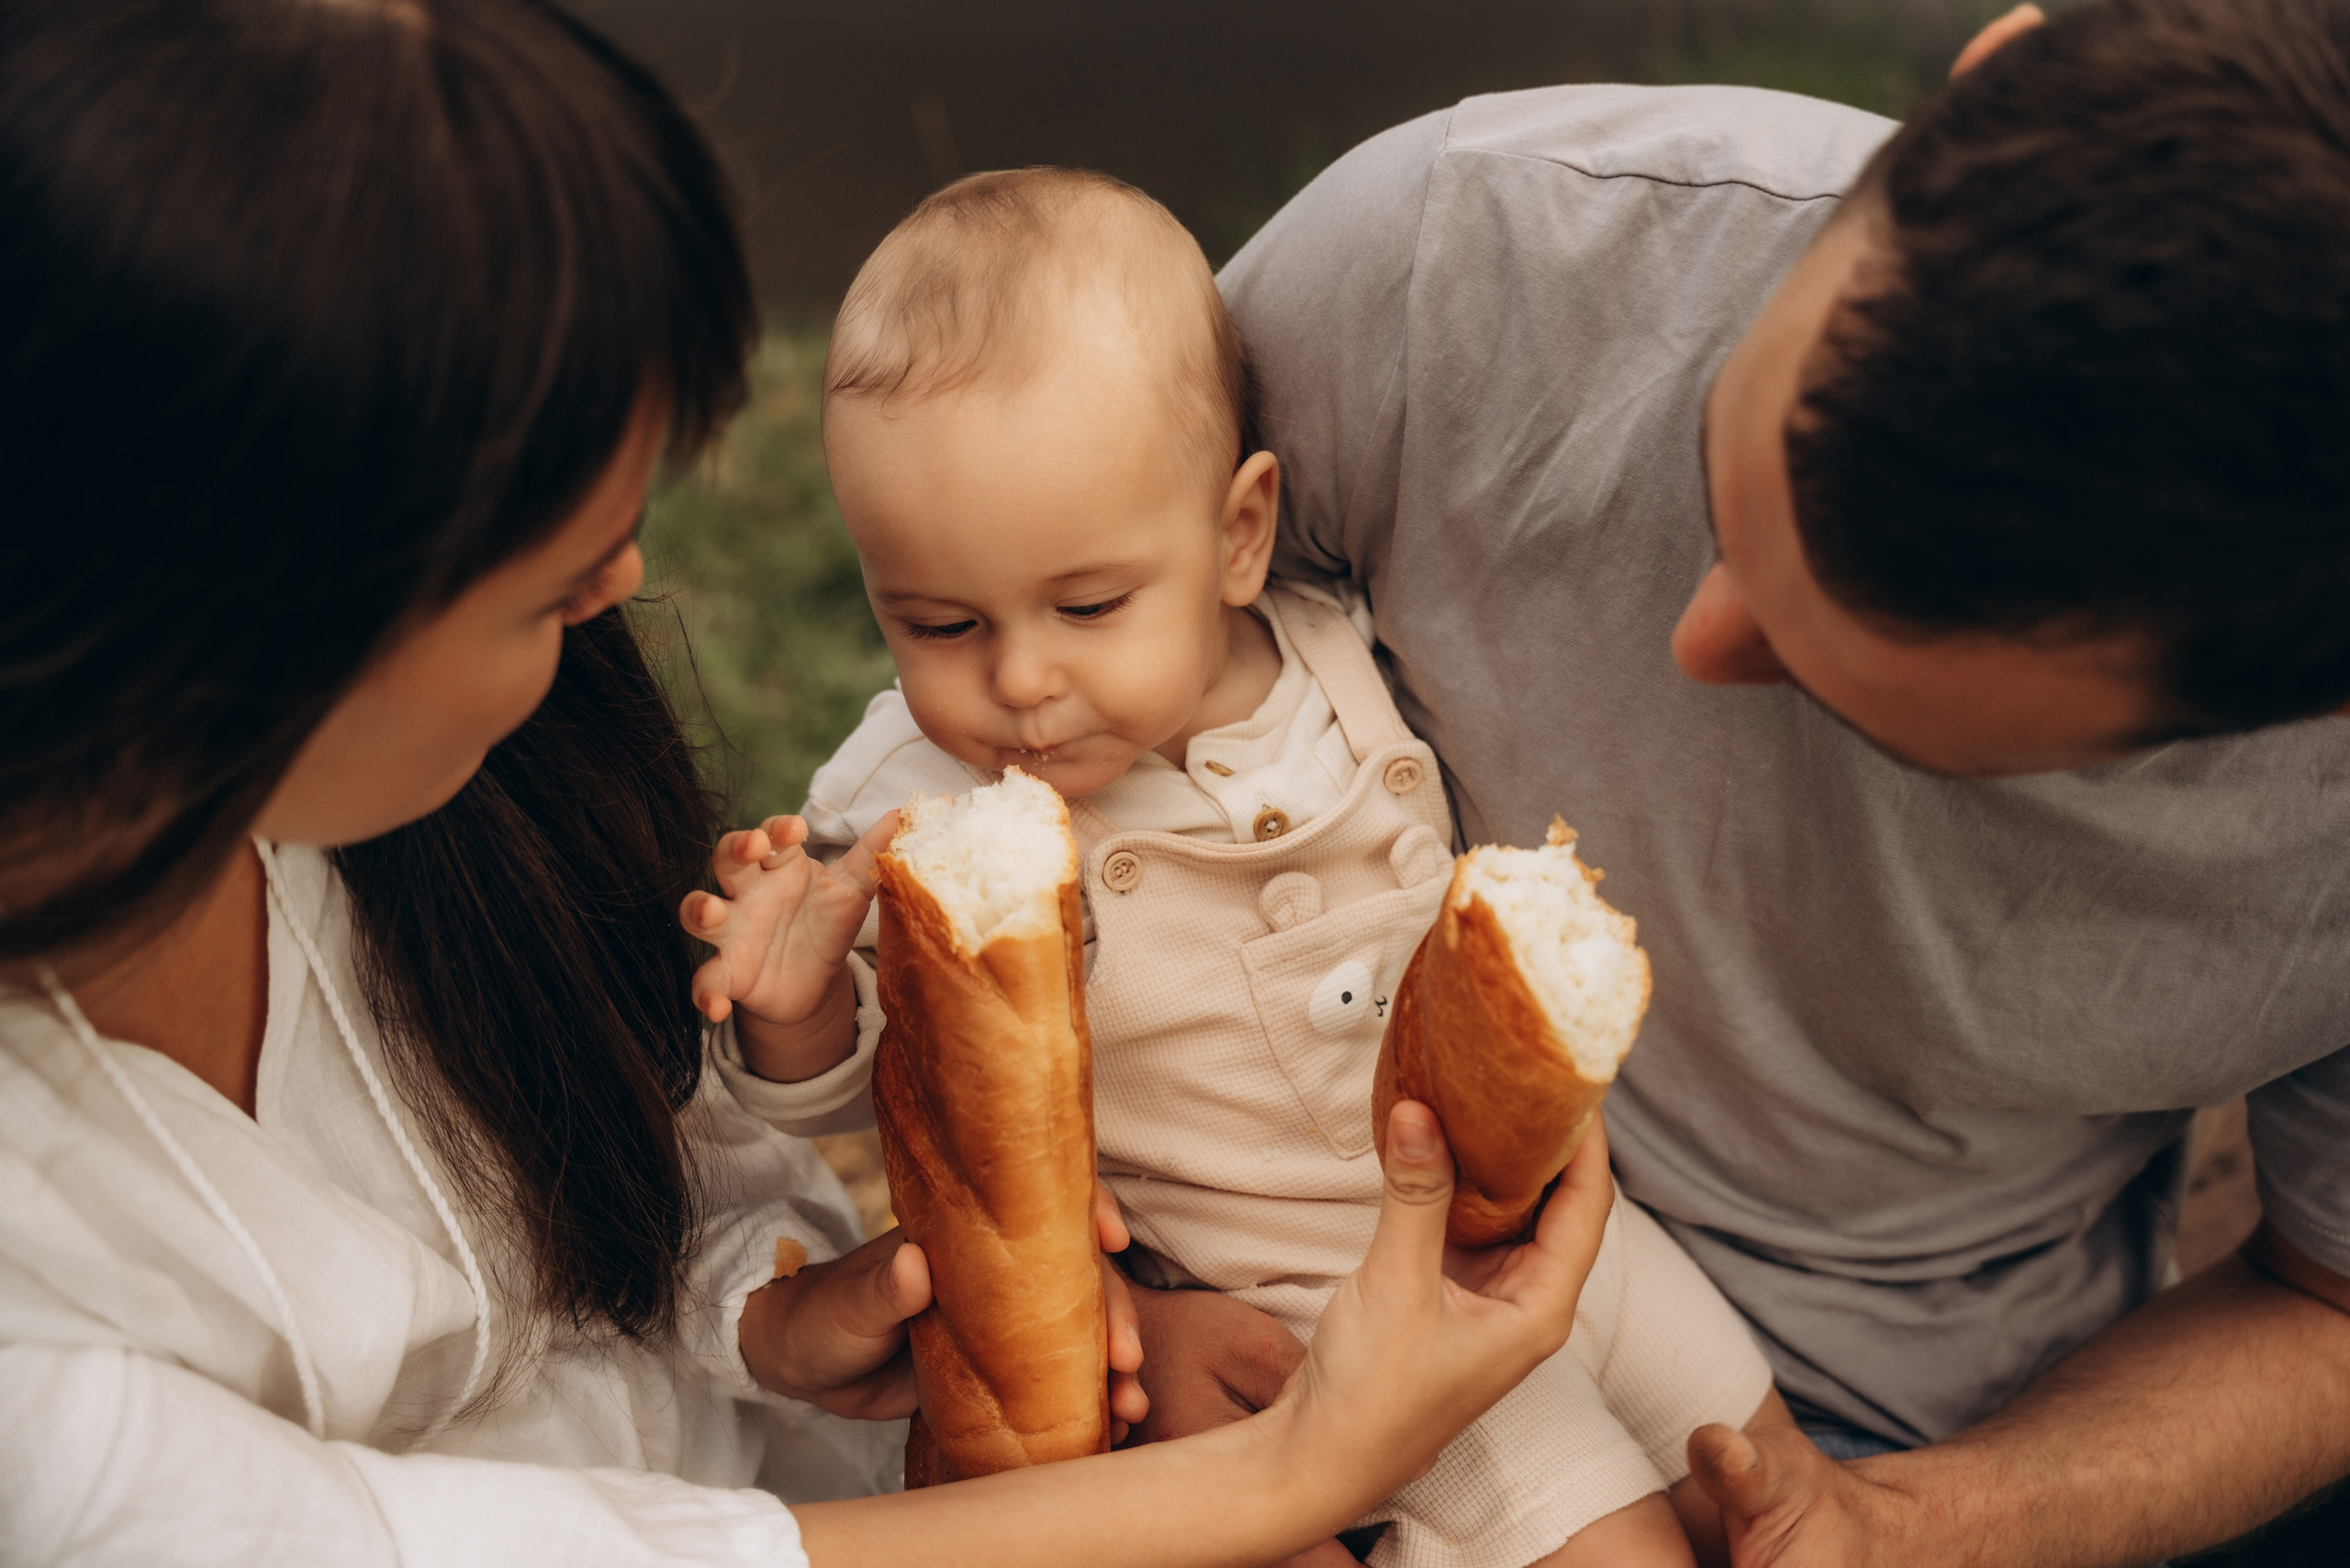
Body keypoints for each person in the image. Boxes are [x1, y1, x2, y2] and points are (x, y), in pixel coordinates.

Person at [0, 3, 1615, 1564]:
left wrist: (791, 1303)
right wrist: (1303, 1471)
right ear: (240, 623)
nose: (618, 580)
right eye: (539, 578)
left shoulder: (434, 820)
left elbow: (662, 1176)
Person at [1123, 0, 2350, 1563]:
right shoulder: (1463, 255)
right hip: (1264, 1276)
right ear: (1991, 73)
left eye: (1864, 709)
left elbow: (2329, 1301)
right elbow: (1049, 698)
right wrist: (1127, 1303)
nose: (1701, 643)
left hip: (1900, 1438)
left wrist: (1914, 1528)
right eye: (1717, 473)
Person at [684, 167, 1783, 1568]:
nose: (1022, 682)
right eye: (939, 621)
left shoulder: (1343, 649)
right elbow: (899, 1099)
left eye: (1089, 604)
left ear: (1238, 536)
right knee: (1615, 1543)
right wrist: (789, 1011)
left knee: (1765, 1467)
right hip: (1324, 1307)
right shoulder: (910, 803)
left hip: (1563, 1212)